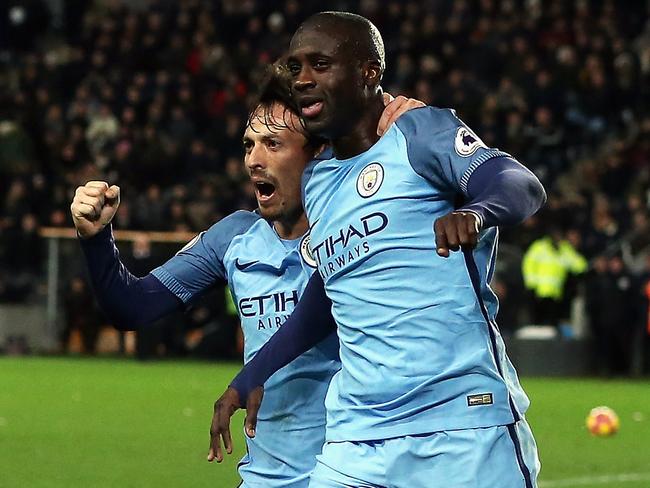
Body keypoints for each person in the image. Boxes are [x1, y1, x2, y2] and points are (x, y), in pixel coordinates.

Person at [210, 12, 546, 488]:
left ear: (368, 73)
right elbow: (330, 292)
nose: (303, 79)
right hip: (356, 438)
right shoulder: (319, 179)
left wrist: (476, 213)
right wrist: (251, 375)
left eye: (320, 65)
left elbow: (518, 183)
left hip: (460, 427)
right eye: (296, 67)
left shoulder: (418, 133)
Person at [70, 68, 423, 487]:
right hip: (267, 477)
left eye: (273, 144)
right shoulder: (235, 238)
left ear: (319, 153)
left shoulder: (364, 231)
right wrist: (95, 240)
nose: (254, 159)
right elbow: (133, 306)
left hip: (360, 470)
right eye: (249, 145)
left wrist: (406, 139)